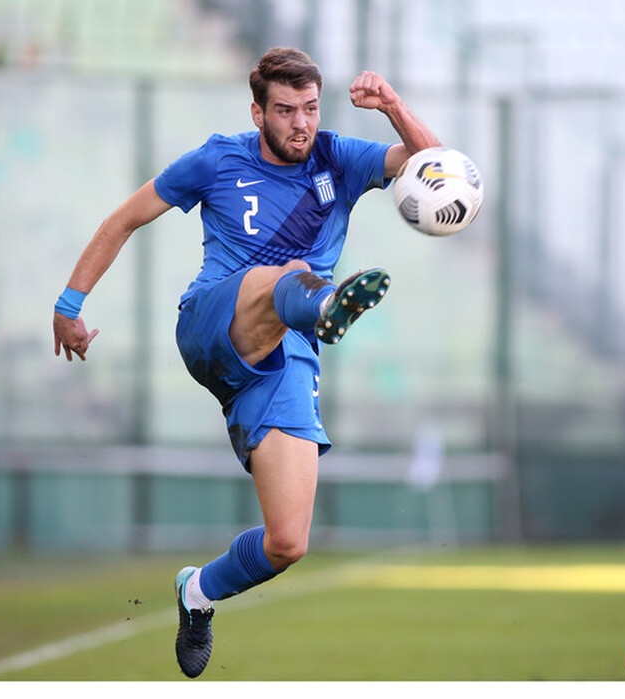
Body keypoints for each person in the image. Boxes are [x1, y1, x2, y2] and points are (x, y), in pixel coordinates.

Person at [52, 47, 441, 678]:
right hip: (214, 320)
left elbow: (435, 169)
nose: (301, 124)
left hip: (286, 358)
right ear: (257, 111)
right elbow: (124, 218)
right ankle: (316, 303)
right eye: (286, 111)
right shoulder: (218, 158)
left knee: (288, 541)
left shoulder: (338, 157)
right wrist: (70, 304)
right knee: (285, 273)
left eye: (311, 108)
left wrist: (393, 106)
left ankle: (197, 592)